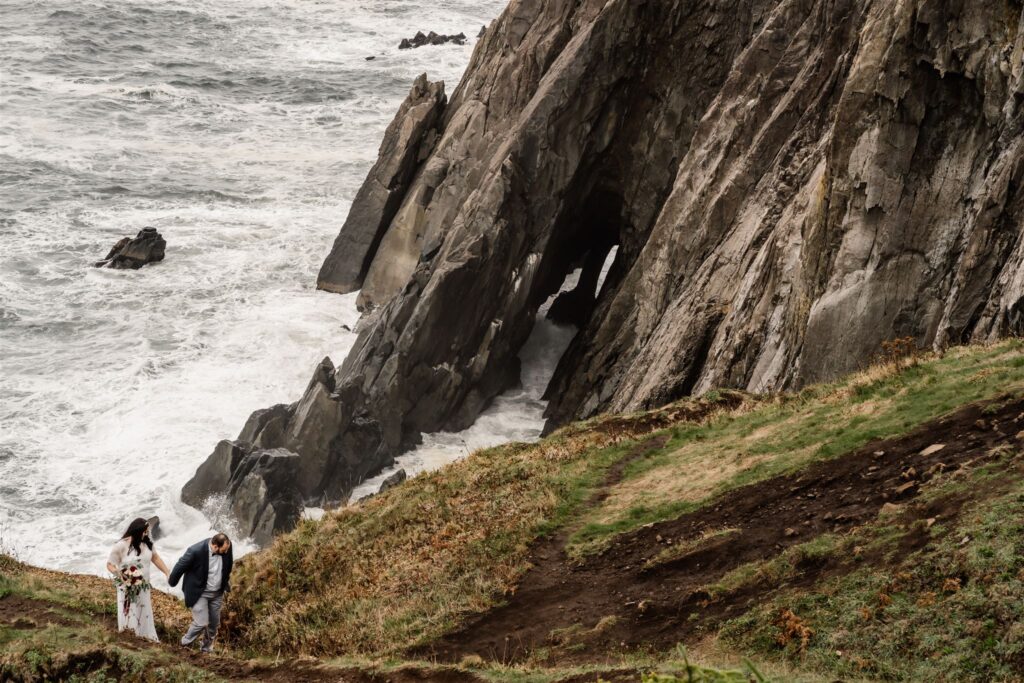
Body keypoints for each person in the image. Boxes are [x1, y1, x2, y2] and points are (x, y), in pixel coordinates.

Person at [106, 517, 170, 642]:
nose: (146, 534)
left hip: (143, 586)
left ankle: (146, 637)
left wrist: (167, 572)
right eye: (144, 532)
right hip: (126, 587)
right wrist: (119, 574)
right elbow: (110, 564)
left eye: (147, 532)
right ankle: (129, 636)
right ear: (137, 531)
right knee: (130, 610)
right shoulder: (121, 546)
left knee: (144, 610)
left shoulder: (148, 544)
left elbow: (155, 558)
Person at [168, 533, 233, 653]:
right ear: (214, 546)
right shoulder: (195, 550)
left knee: (213, 625)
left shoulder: (227, 547)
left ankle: (206, 650)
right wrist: (172, 581)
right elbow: (180, 566)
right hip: (199, 592)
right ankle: (184, 644)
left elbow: (228, 564)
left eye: (227, 550)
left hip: (217, 593)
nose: (226, 553)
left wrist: (225, 581)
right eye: (223, 551)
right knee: (201, 623)